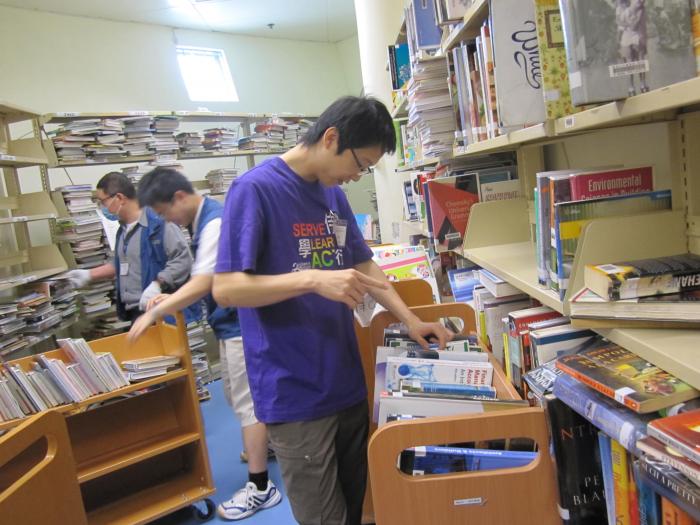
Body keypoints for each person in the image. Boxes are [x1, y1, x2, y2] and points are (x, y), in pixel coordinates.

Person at [212, 96, 452, 525]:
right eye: (359, 164)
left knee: (355, 506)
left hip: (344, 381)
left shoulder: (332, 196)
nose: (356, 177)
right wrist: (311, 278)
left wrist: (411, 320)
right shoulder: (255, 190)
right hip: (293, 391)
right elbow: (227, 289)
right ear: (331, 138)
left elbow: (363, 264)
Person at [127, 167, 281, 521]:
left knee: (247, 404)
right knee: (238, 397)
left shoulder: (213, 222)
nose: (168, 221)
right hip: (230, 324)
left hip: (243, 323)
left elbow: (205, 281)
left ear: (179, 197)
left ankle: (260, 487)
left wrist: (158, 310)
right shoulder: (202, 222)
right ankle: (267, 447)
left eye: (165, 213)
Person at [64, 171, 200, 325]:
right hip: (136, 312)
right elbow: (122, 262)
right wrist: (89, 275)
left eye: (103, 202)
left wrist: (157, 283)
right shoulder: (122, 230)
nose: (102, 207)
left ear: (120, 198)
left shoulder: (159, 223)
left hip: (161, 310)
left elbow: (183, 260)